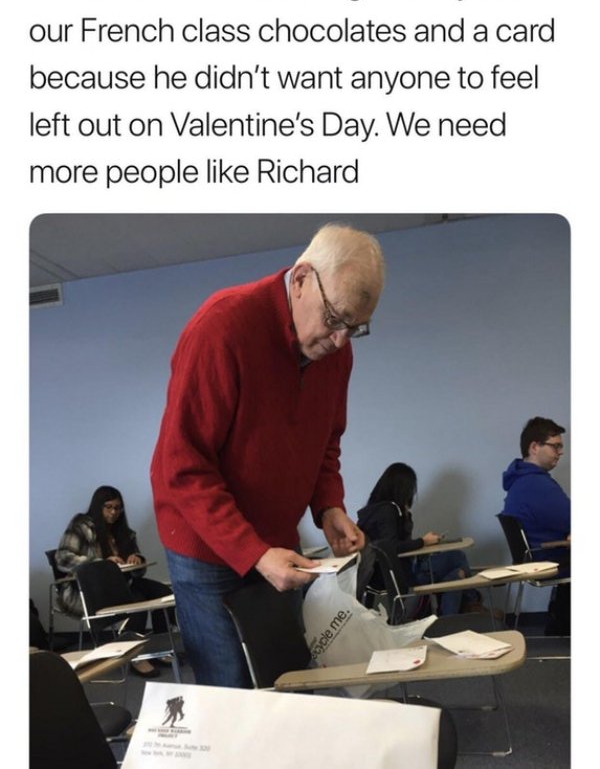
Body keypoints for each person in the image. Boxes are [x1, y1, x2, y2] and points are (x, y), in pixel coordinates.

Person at [151, 223, 385, 687]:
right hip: (207, 549)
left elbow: (325, 440)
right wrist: (253, 553)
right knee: (233, 689)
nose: (341, 342)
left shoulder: (335, 352)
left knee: (288, 677)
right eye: (336, 319)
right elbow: (181, 466)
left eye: (357, 328)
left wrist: (329, 506)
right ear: (300, 280)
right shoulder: (221, 327)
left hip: (276, 542)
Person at [56, 485, 173, 676]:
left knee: (164, 593)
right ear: (98, 507)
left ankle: (160, 647)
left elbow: (137, 572)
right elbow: (62, 558)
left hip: (122, 583)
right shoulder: (82, 526)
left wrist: (136, 559)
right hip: (93, 589)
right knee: (136, 602)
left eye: (118, 508)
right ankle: (135, 657)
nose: (113, 512)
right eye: (108, 507)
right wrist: (101, 563)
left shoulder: (123, 532)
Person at [357, 462, 484, 616]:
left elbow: (391, 543)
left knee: (456, 575)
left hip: (389, 572)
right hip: (401, 575)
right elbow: (391, 546)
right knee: (457, 557)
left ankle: (444, 622)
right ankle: (472, 602)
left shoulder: (376, 509)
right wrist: (423, 542)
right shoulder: (388, 511)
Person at [501, 416, 570, 635]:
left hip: (540, 554)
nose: (560, 452)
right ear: (534, 447)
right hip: (549, 558)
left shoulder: (520, 480)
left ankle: (562, 622)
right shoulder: (537, 484)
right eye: (556, 446)